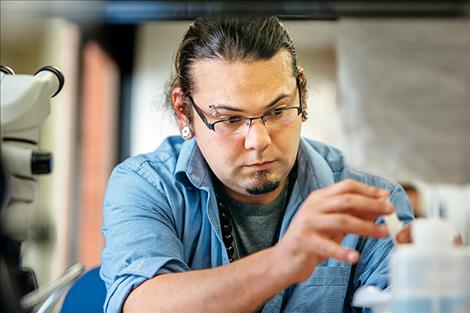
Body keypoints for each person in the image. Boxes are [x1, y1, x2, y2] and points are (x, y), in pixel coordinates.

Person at [100, 16, 414, 313]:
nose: (258, 140)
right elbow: (142, 302)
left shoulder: (372, 203)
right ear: (184, 111)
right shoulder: (146, 185)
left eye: (277, 111)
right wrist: (281, 263)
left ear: (302, 93)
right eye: (230, 119)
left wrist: (436, 286)